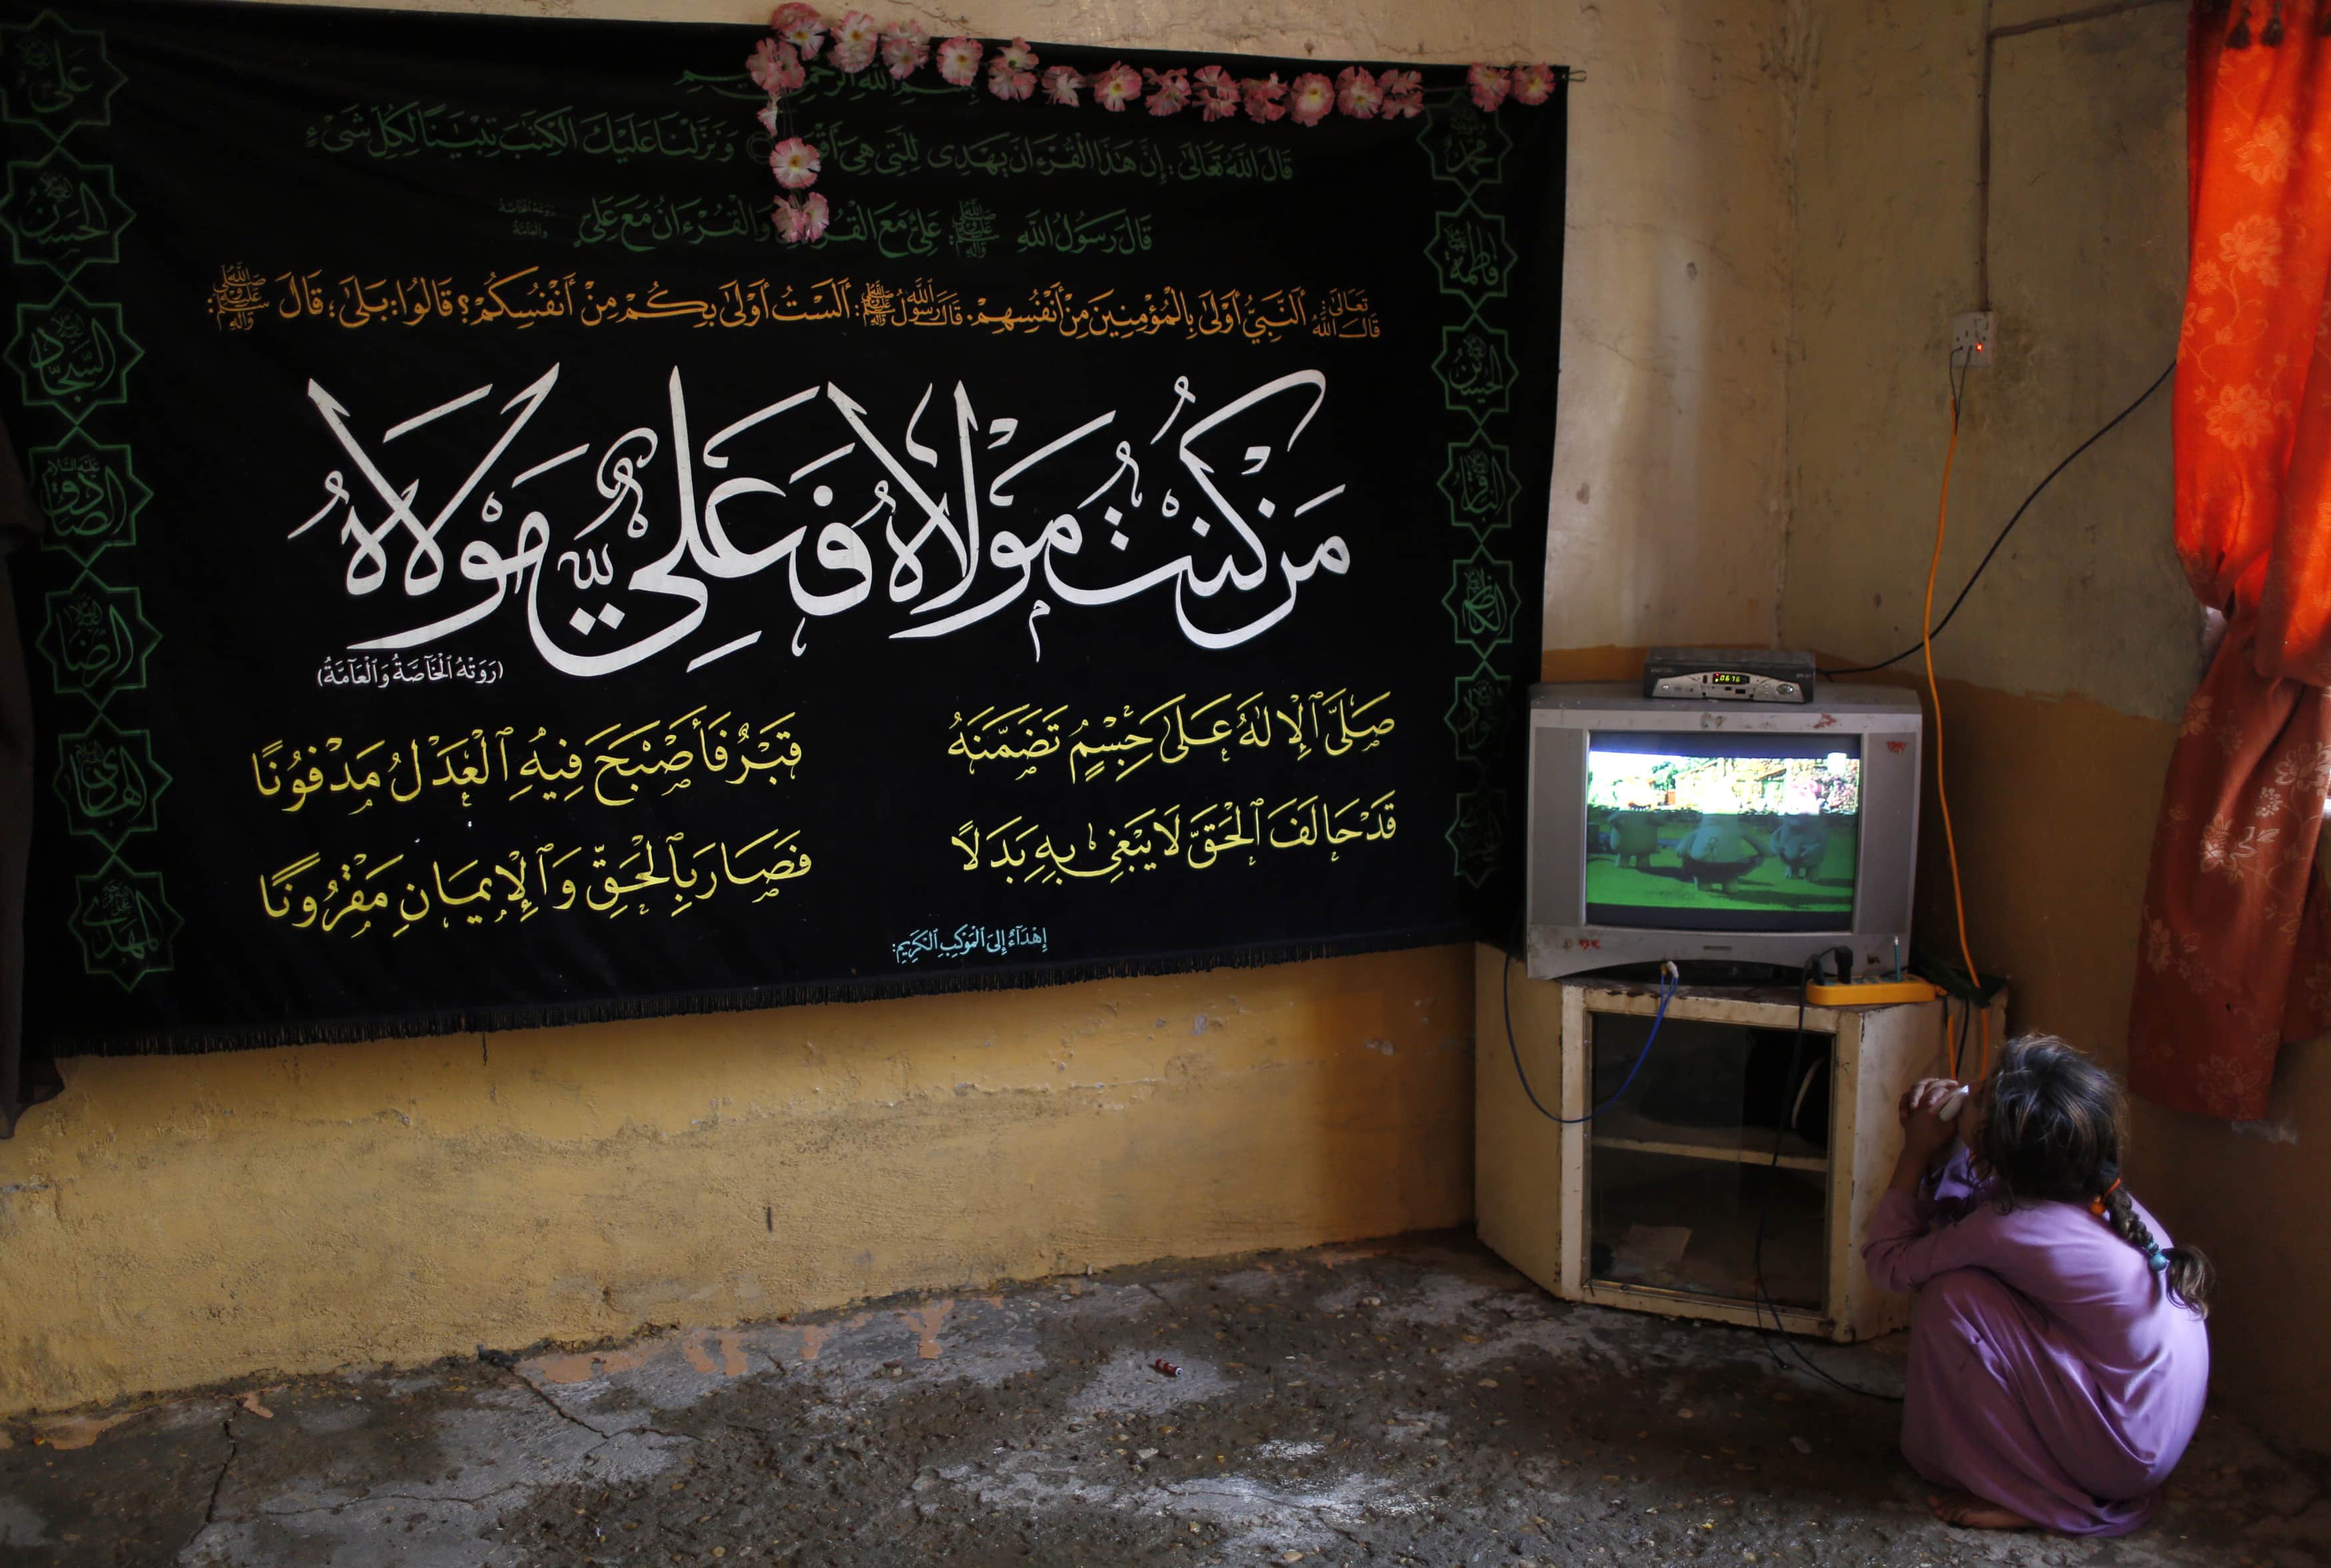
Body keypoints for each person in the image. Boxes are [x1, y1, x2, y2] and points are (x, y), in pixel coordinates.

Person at [1861, 1034, 2211, 1535]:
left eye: (1980, 1096)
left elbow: (1889, 1262)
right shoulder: (2087, 1192)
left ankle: (2033, 1495)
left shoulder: (2007, 1226)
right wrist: (1956, 1147)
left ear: (1990, 1148)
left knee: (1952, 1298)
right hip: (2148, 1439)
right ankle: (2047, 1474)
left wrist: (1915, 1152)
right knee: (1968, 1283)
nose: (1970, 1085)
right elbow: (1977, 1208)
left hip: (2120, 1456)